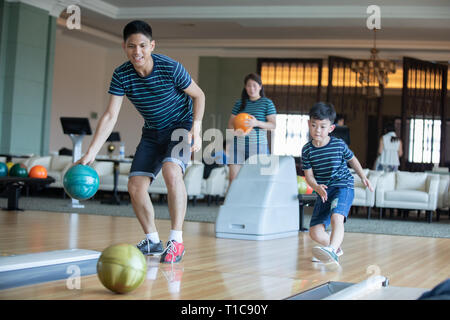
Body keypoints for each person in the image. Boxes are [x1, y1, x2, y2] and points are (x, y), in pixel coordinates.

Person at [77, 20, 205, 264]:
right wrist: (90, 153)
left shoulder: (170, 67)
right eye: (132, 46)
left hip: (180, 127)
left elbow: (199, 95)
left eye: (143, 46)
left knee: (171, 171)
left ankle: (176, 241)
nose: (138, 52)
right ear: (124, 47)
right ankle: (153, 240)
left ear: (152, 45)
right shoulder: (121, 74)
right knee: (135, 186)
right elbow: (110, 115)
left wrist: (196, 129)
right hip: (152, 133)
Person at [301, 102, 373, 268]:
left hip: (343, 186)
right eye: (313, 125)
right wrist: (317, 187)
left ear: (331, 128)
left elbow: (352, 160)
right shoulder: (307, 150)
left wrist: (363, 176)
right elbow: (309, 176)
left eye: (322, 126)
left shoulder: (339, 144)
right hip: (323, 190)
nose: (317, 130)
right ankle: (334, 248)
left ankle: (331, 250)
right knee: (315, 231)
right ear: (308, 124)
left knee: (336, 217)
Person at [226, 73, 276, 187]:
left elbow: (273, 125)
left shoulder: (267, 103)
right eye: (249, 85)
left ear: (260, 86)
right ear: (245, 87)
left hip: (258, 146)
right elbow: (230, 125)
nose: (251, 88)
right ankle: (232, 204)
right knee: (233, 179)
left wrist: (256, 123)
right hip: (238, 145)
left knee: (256, 180)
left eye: (254, 85)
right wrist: (235, 132)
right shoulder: (239, 103)